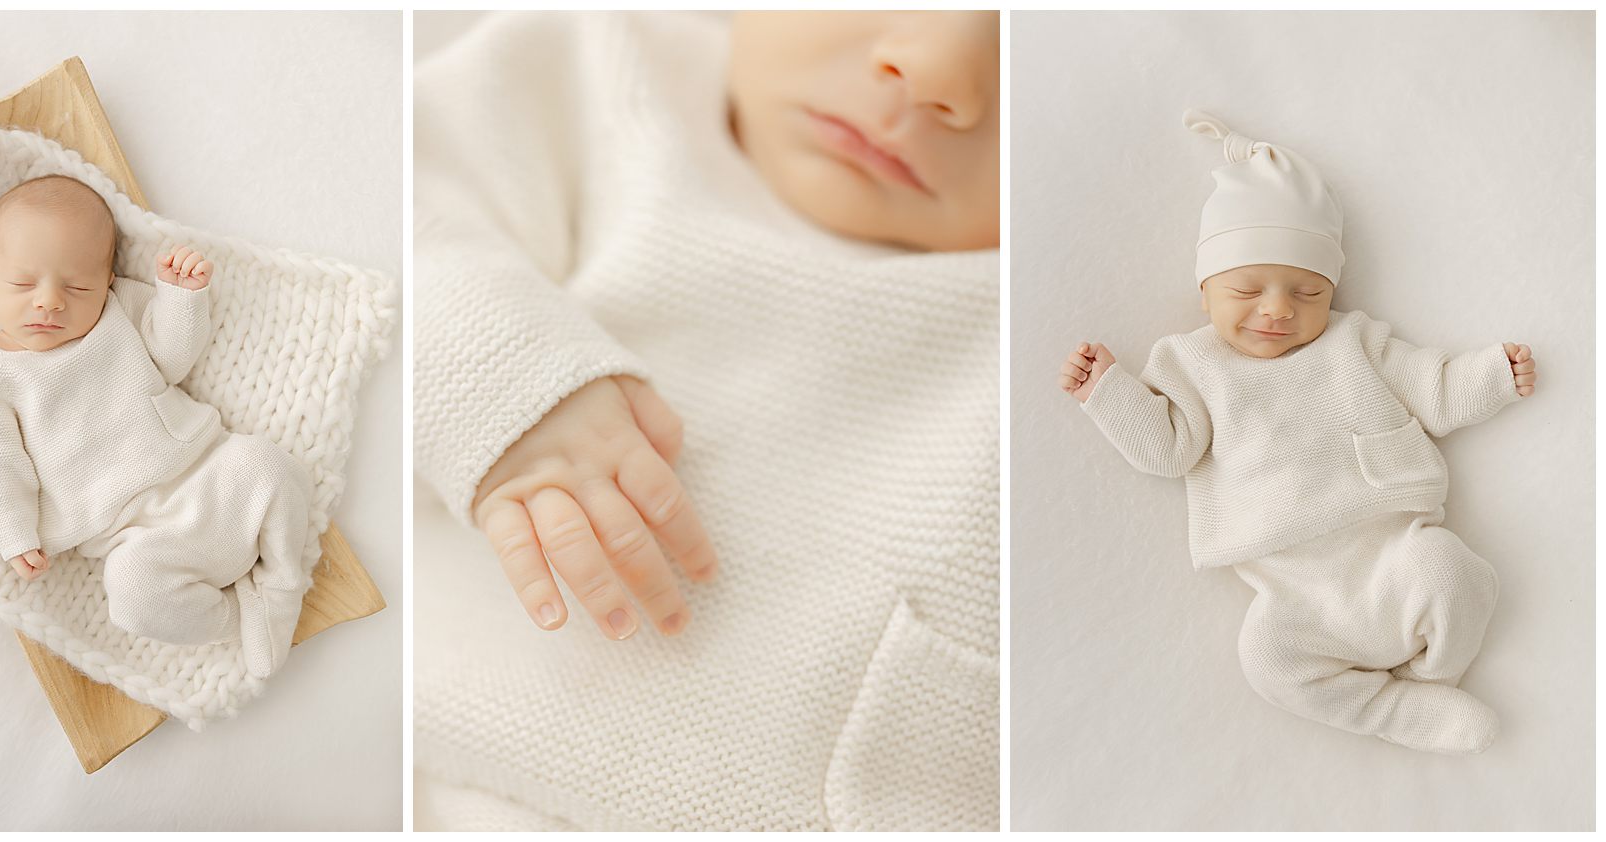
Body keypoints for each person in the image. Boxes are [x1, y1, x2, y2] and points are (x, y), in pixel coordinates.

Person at [414, 11, 1000, 830]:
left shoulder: (1035, 328)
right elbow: (398, 208)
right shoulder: (603, 70)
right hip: (454, 761)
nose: (936, 72)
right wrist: (503, 382)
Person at [1059, 109, 1537, 754]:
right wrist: (1108, 392)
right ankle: (1389, 711)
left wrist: (1494, 374)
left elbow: (1436, 390)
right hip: (1293, 587)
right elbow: (1168, 449)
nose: (1278, 308)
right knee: (1267, 661)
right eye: (1247, 288)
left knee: (1457, 573)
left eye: (1308, 293)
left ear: (1331, 293)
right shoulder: (1191, 363)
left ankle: (1434, 678)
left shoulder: (1355, 344)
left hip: (1391, 550)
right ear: (1205, 292)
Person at [0, 174, 313, 679]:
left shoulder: (116, 314)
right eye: (22, 283)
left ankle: (279, 583)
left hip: (205, 469)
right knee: (134, 600)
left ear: (108, 280)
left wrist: (182, 298)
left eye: (78, 286)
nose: (50, 301)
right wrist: (14, 532)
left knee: (269, 464)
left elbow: (169, 357)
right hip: (131, 535)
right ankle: (239, 617)